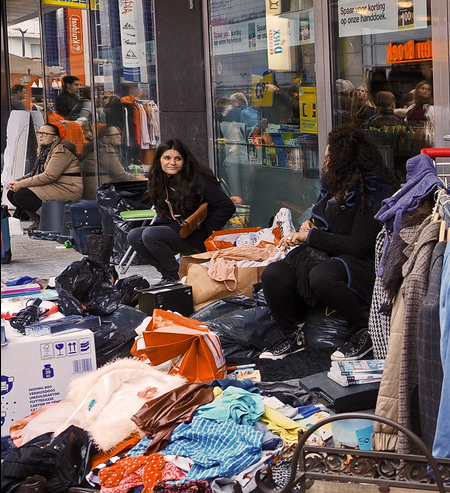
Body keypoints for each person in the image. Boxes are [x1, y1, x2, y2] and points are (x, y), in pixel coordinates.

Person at [259, 125, 398, 362]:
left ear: (345, 160)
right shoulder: (333, 187)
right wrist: (309, 225)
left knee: (322, 276)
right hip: (328, 255)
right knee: (273, 273)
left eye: (329, 158)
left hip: (363, 264)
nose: (325, 163)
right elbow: (324, 222)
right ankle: (293, 335)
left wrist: (310, 237)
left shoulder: (372, 192)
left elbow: (358, 246)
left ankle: (364, 330)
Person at [128, 139, 236, 284]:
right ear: (159, 160)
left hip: (198, 236)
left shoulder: (196, 178)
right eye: (167, 158)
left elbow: (227, 206)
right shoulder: (160, 179)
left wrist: (204, 232)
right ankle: (169, 276)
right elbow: (166, 214)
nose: (172, 163)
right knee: (134, 236)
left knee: (150, 235)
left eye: (177, 158)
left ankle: (178, 276)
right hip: (178, 228)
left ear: (184, 160)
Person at [6, 123, 82, 227]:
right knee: (12, 193)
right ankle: (38, 221)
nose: (41, 136)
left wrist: (21, 184)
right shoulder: (44, 151)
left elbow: (49, 176)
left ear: (55, 137)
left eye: (45, 133)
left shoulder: (61, 151)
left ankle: (50, 220)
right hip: (55, 186)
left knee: (21, 195)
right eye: (39, 133)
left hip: (68, 188)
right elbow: (35, 173)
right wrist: (17, 181)